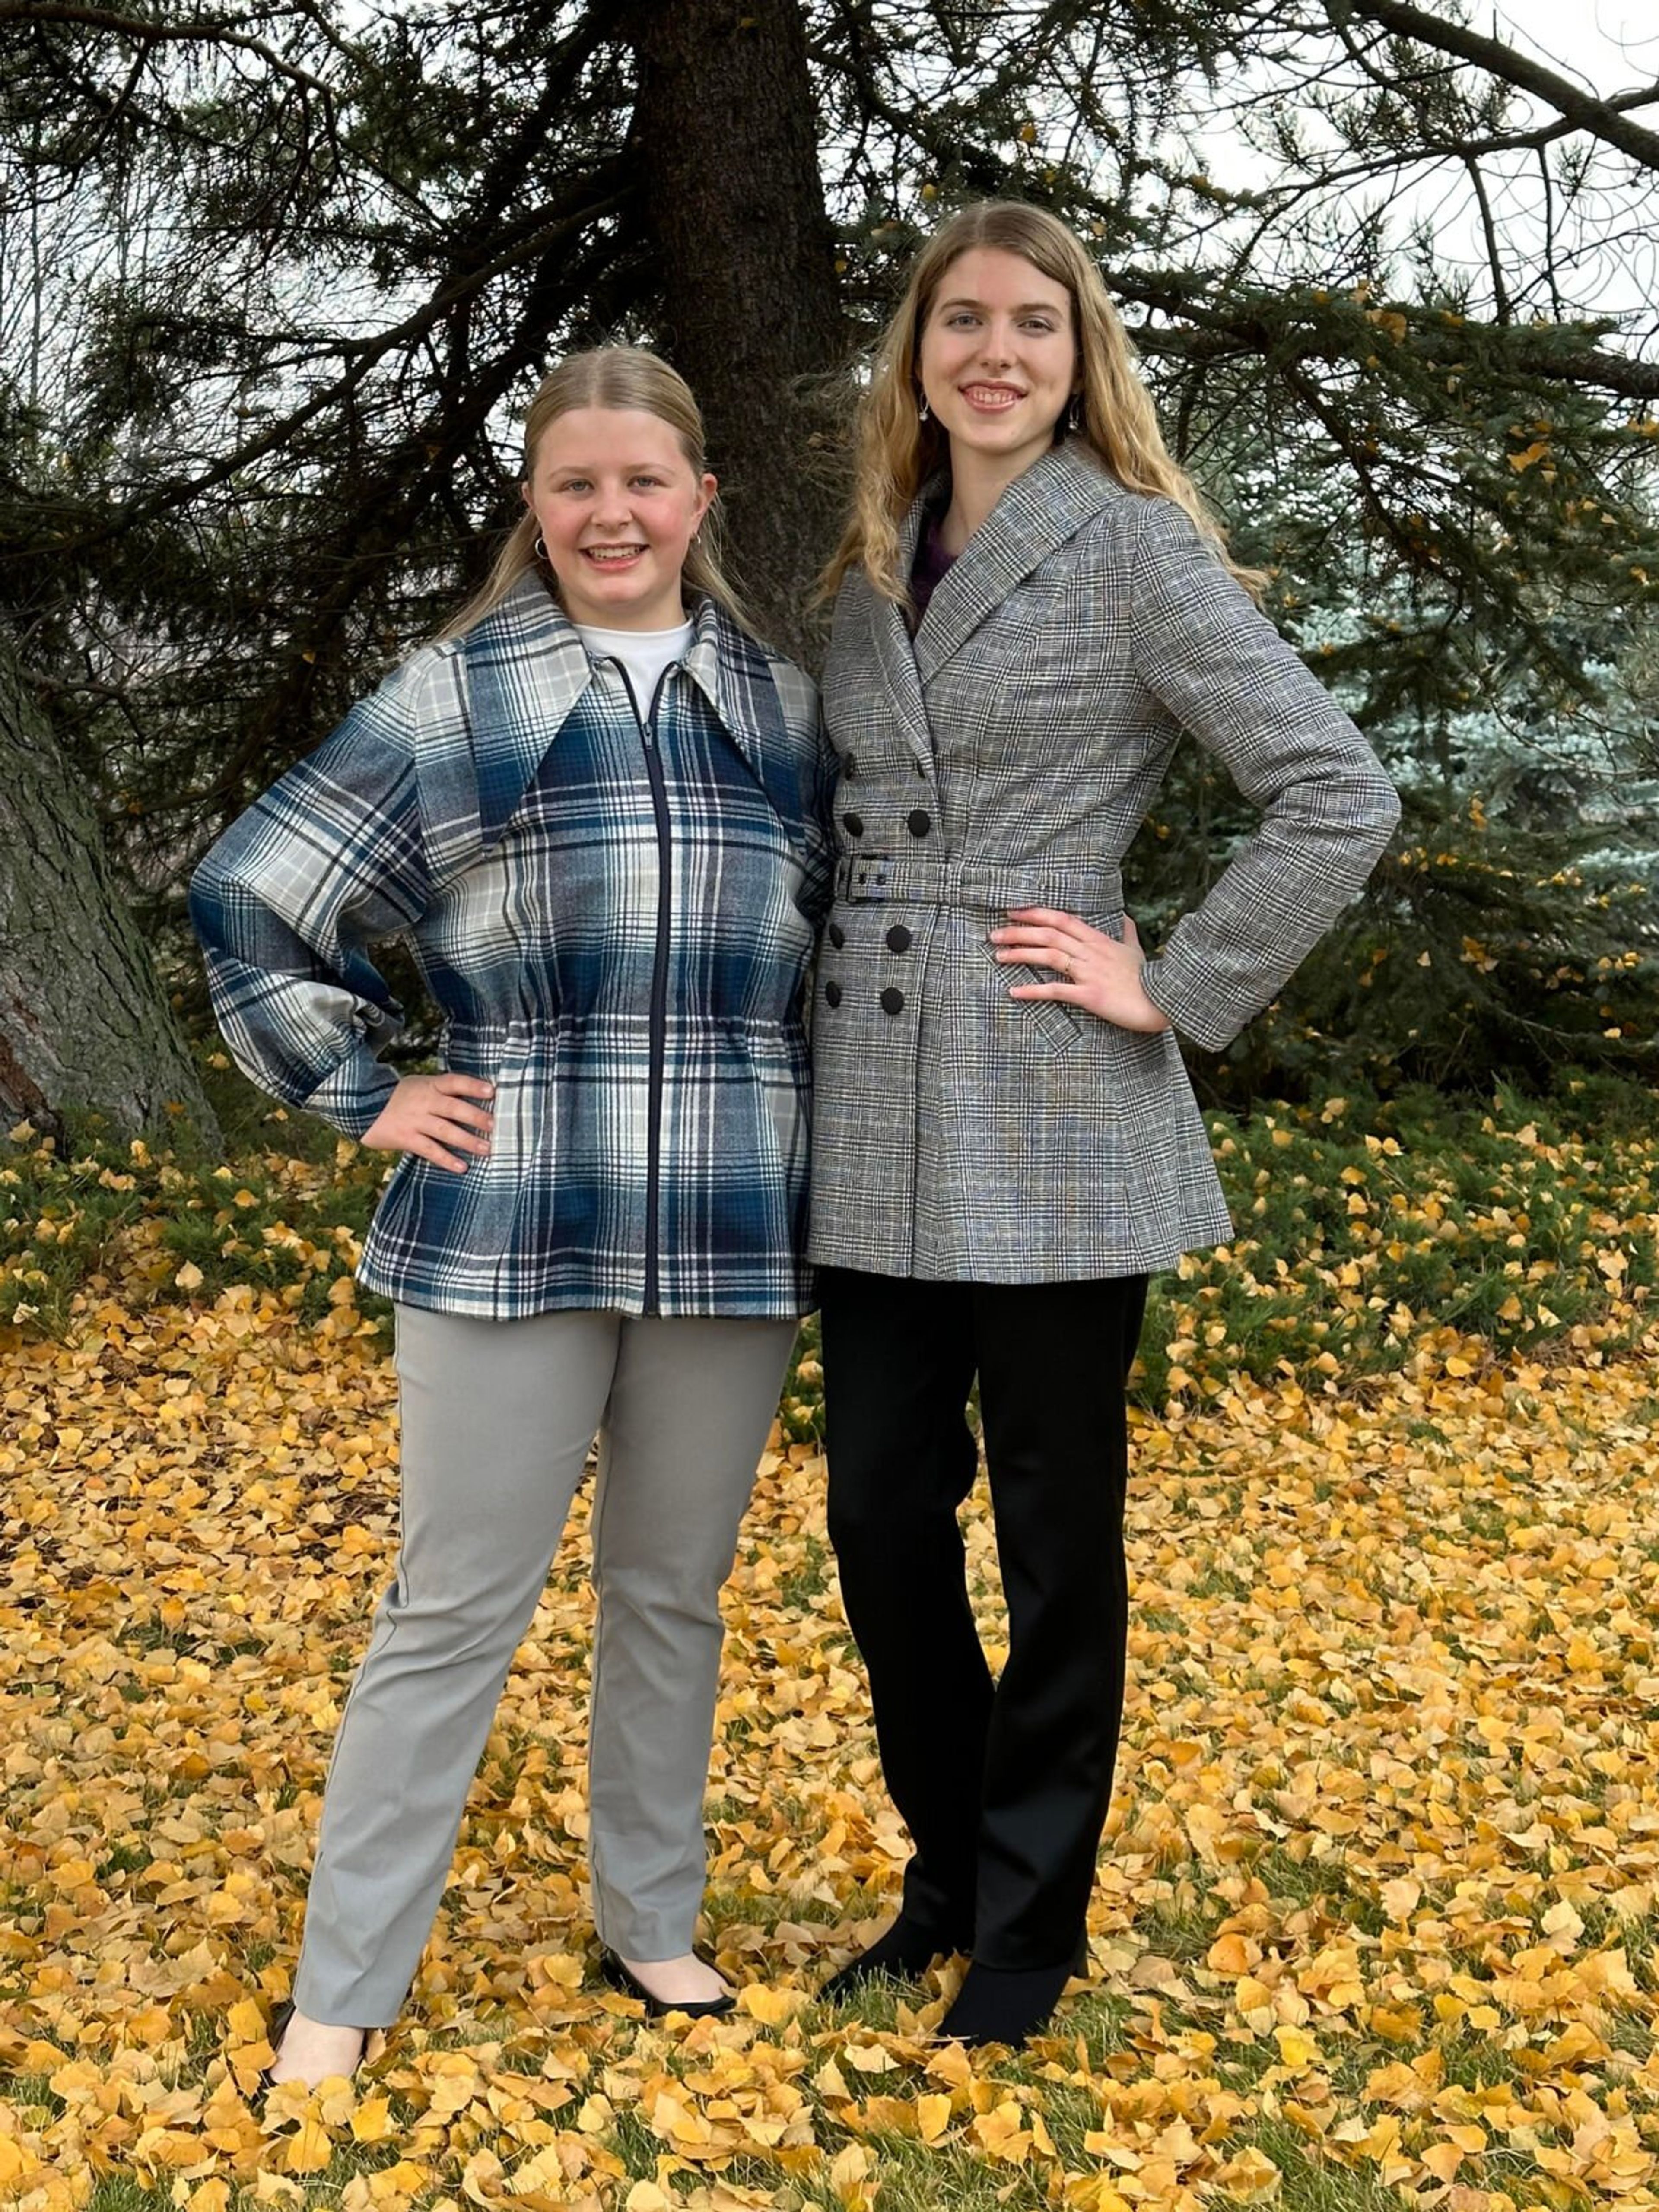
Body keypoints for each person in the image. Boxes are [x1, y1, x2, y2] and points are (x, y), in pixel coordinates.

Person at [191, 347, 832, 2086]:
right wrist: (367, 1086)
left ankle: (650, 1924)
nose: (610, 515)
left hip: (723, 1223)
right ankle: (346, 1983)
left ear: (702, 499)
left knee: (672, 1593)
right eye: (575, 487)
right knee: (453, 1601)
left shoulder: (781, 707)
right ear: (535, 510)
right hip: (505, 1217)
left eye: (643, 483)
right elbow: (252, 891)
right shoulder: (452, 700)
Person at [809, 201, 1400, 2047]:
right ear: (915, 352)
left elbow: (1334, 788)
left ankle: (1029, 1929)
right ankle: (952, 1868)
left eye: (1036, 328)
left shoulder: (1136, 552)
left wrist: (1184, 981)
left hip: (1054, 1092)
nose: (995, 353)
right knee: (881, 1523)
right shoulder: (865, 563)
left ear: (1082, 361)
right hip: (869, 1106)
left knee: (1063, 1541)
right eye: (962, 321)